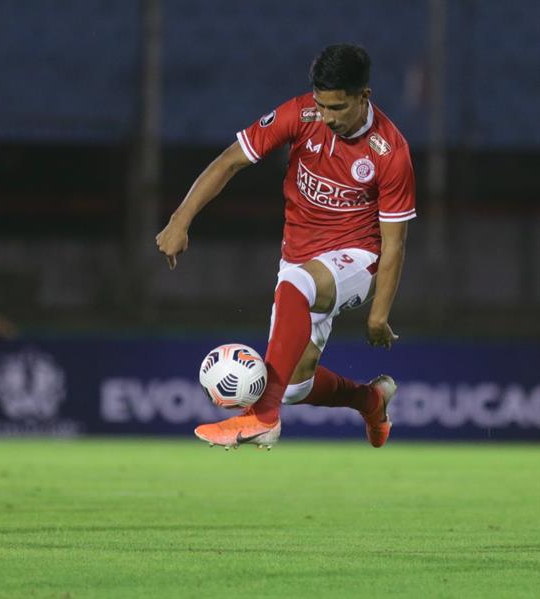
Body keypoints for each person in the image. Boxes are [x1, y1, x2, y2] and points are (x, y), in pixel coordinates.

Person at [155, 44, 415, 450]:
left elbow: (395, 242)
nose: (327, 117)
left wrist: (379, 315)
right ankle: (370, 399)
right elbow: (229, 161)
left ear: (364, 96)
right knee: (294, 384)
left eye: (338, 107)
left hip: (359, 259)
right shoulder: (300, 114)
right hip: (298, 257)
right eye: (322, 105)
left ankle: (262, 417)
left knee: (295, 287)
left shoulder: (391, 152)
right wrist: (179, 220)